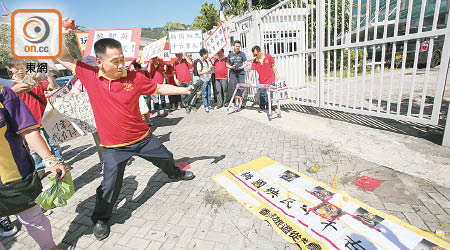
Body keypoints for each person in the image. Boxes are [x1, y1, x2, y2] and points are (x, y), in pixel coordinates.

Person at [57, 19, 195, 240]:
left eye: (122, 59)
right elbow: (63, 57)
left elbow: (159, 87)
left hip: (143, 138)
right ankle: (101, 218)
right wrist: (63, 32)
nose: (121, 65)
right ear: (100, 62)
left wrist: (184, 90)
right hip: (114, 147)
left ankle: (174, 173)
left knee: (167, 158)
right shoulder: (90, 75)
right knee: (109, 185)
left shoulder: (135, 77)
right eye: (115, 61)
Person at [0, 83, 66, 250]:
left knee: (34, 219)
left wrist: (50, 160)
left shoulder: (4, 93)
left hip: (15, 176)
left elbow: (28, 130)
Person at [249, 45, 280, 112]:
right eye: (254, 55)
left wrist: (277, 74)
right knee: (262, 94)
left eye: (256, 54)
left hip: (271, 79)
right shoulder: (255, 61)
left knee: (271, 94)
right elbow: (251, 71)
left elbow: (274, 66)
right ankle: (262, 106)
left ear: (260, 51)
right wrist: (249, 80)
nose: (255, 56)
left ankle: (269, 106)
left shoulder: (268, 57)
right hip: (262, 81)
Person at [226, 40, 248, 107]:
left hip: (240, 73)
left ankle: (241, 102)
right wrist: (231, 67)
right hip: (233, 73)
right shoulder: (230, 55)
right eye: (236, 46)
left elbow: (246, 63)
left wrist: (242, 67)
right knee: (234, 87)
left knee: (241, 87)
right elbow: (227, 64)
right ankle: (236, 101)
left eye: (239, 46)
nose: (238, 48)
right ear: (233, 46)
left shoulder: (242, 54)